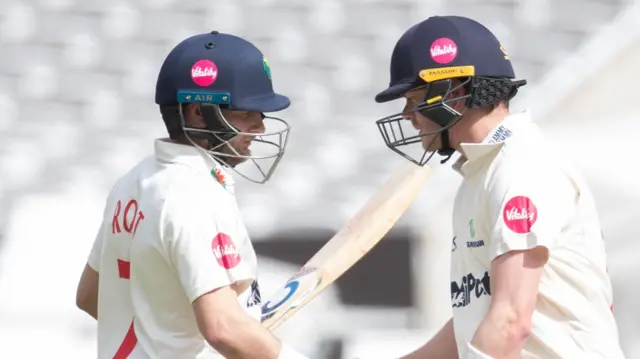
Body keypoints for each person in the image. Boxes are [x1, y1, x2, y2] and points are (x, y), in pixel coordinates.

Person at [373, 15, 626, 359]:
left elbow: (510, 322)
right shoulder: (479, 175)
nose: (407, 115)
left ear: (456, 93)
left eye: (413, 99)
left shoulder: (520, 167)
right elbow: (472, 321)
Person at [75, 31, 308, 359]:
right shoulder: (194, 195)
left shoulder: (133, 181)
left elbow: (90, 295)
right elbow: (223, 328)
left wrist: (165, 328)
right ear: (198, 113)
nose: (260, 128)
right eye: (245, 114)